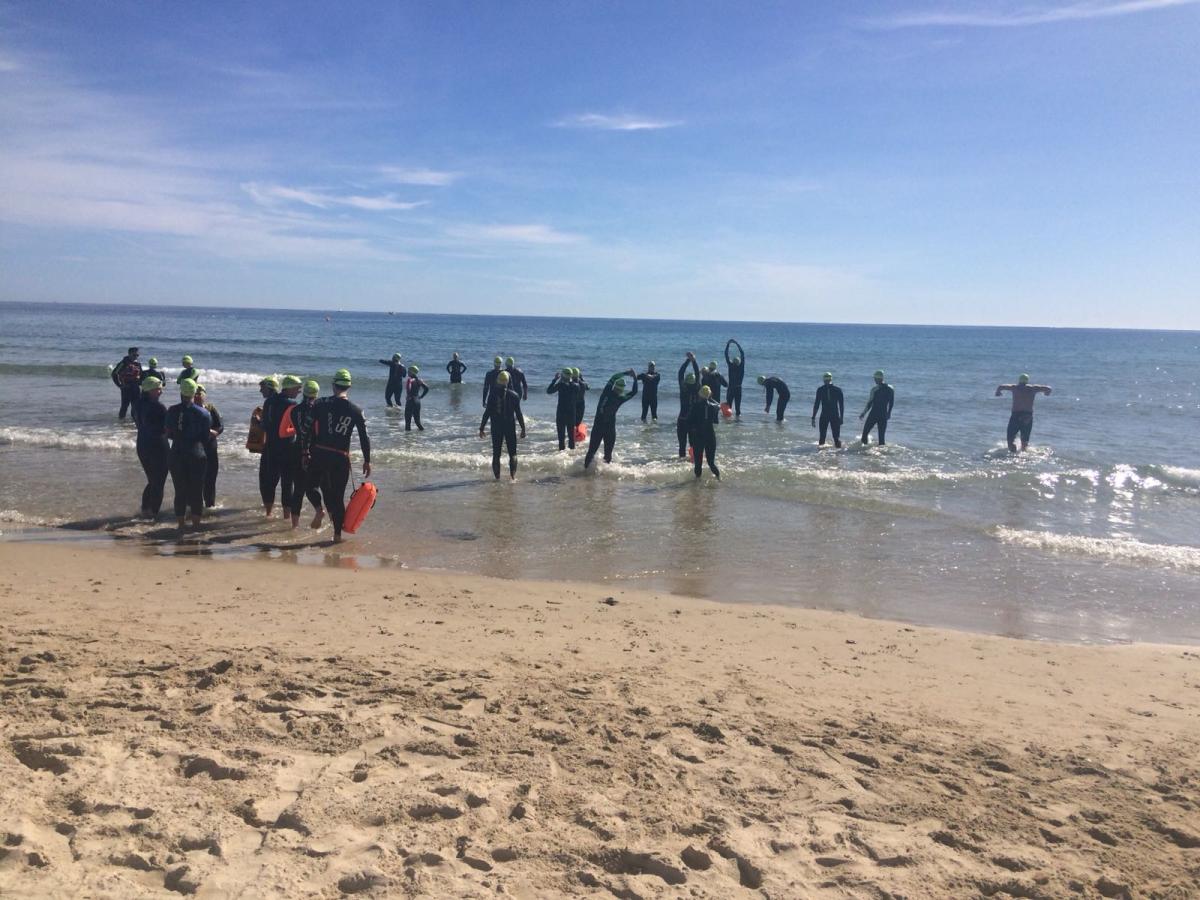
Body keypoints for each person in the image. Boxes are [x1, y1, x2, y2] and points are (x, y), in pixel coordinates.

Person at [301, 369, 370, 542]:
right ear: (349, 387)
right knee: (338, 498)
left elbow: (306, 429)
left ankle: (319, 510)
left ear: (333, 385)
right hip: (340, 457)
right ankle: (337, 536)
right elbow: (364, 437)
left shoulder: (319, 403)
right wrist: (367, 460)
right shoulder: (356, 410)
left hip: (320, 453)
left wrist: (305, 451)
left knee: (310, 487)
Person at [164, 378, 211, 529]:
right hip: (196, 453)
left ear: (181, 392)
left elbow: (169, 433)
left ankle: (181, 525)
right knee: (196, 491)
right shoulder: (203, 413)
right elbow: (205, 438)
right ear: (194, 393)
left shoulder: (172, 410)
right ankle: (196, 526)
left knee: (180, 491)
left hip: (176, 453)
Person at [260, 374, 302, 517]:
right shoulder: (292, 404)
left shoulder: (269, 402)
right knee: (287, 483)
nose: (299, 391)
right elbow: (296, 426)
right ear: (289, 388)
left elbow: (264, 425)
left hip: (270, 447)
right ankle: (286, 517)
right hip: (287, 448)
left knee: (270, 481)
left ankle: (268, 513)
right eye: (297, 388)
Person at [288, 380, 325, 529]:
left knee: (298, 490)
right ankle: (319, 510)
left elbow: (299, 430)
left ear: (303, 393)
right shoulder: (319, 411)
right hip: (315, 451)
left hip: (297, 450)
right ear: (316, 394)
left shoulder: (294, 411)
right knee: (314, 485)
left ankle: (294, 527)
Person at [584, 370, 639, 468]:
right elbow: (634, 392)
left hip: (599, 426)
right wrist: (635, 379)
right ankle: (604, 473)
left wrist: (627, 373)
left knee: (592, 452)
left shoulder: (607, 392)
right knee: (607, 455)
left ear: (614, 387)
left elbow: (614, 377)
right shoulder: (621, 398)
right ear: (621, 389)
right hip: (609, 428)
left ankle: (585, 471)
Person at [135, 376, 169, 519]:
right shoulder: (159, 407)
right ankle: (154, 514)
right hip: (158, 446)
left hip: (142, 444)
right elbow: (168, 428)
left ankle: (145, 509)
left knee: (152, 480)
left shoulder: (137, 404)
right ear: (150, 390)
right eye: (158, 389)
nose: (161, 391)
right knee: (159, 482)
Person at [479, 370, 521, 479]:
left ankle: (497, 478)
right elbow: (519, 414)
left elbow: (487, 413)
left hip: (496, 427)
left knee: (496, 454)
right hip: (510, 426)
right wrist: (523, 428)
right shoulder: (514, 395)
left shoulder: (492, 395)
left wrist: (481, 428)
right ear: (508, 381)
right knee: (513, 453)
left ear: (498, 381)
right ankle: (513, 477)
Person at [996, 374, 1052, 452]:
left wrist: (998, 392)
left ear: (1019, 380)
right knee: (1024, 441)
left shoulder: (1014, 387)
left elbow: (1001, 386)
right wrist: (1047, 393)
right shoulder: (1033, 388)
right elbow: (1048, 388)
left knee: (1010, 439)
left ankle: (1012, 454)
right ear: (1027, 380)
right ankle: (1023, 455)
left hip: (1016, 415)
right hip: (1027, 416)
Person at [194, 384, 224, 508]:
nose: (197, 396)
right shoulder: (189, 410)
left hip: (210, 448)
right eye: (195, 394)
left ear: (204, 395)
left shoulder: (211, 408)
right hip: (195, 449)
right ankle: (194, 506)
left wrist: (215, 432)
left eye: (200, 393)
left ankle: (210, 506)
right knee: (195, 480)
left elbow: (220, 425)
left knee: (210, 479)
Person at [687, 385, 721, 479]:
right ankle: (719, 479)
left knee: (698, 463)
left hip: (698, 436)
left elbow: (689, 423)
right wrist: (710, 398)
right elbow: (719, 405)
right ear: (709, 395)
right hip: (710, 436)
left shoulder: (695, 406)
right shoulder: (714, 407)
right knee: (711, 463)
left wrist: (690, 440)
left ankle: (697, 483)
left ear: (700, 395)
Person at [547, 367, 580, 450]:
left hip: (561, 413)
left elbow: (549, 391)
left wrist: (555, 380)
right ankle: (572, 452)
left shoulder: (560, 385)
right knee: (571, 436)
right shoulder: (576, 386)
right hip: (572, 413)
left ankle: (561, 452)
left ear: (563, 375)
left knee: (561, 436)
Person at [859, 370, 895, 445]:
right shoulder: (891, 389)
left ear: (878, 378)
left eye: (875, 378)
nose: (874, 380)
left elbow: (870, 403)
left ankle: (863, 449)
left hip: (874, 414)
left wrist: (863, 413)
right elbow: (891, 402)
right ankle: (881, 451)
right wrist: (889, 413)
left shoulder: (874, 389)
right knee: (881, 438)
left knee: (865, 433)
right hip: (883, 414)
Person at [676, 353, 701, 458]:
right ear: (695, 381)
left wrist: (688, 361)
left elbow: (680, 373)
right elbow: (698, 374)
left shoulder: (683, 388)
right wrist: (694, 361)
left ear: (686, 381)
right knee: (693, 445)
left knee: (682, 445)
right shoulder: (697, 388)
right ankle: (693, 462)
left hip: (682, 419)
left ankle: (681, 462)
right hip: (693, 421)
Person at [811, 372, 844, 448]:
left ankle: (821, 454)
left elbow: (816, 405)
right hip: (834, 415)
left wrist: (813, 417)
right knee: (836, 438)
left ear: (823, 380)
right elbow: (841, 406)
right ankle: (839, 453)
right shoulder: (838, 390)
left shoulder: (820, 390)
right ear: (831, 379)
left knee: (823, 437)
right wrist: (841, 417)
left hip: (825, 415)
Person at [111, 347, 143, 421]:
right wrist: (119, 385)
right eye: (134, 355)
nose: (136, 357)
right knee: (124, 406)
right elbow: (114, 374)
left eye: (137, 355)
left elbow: (141, 375)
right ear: (129, 354)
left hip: (136, 388)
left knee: (135, 407)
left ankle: (133, 423)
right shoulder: (123, 363)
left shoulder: (138, 364)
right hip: (126, 388)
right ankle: (120, 423)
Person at [504, 357, 529, 438]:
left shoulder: (505, 372)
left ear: (506, 364)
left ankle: (512, 424)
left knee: (510, 410)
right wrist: (525, 394)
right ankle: (521, 427)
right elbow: (525, 384)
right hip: (518, 394)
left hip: (510, 393)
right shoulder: (520, 371)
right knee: (516, 409)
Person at [404, 365, 429, 431]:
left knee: (408, 423)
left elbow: (409, 386)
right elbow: (426, 388)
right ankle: (423, 433)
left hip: (411, 401)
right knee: (417, 422)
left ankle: (407, 437)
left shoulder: (410, 379)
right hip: (417, 401)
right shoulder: (419, 380)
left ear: (412, 372)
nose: (407, 372)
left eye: (409, 371)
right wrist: (421, 396)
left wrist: (408, 395)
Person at [724, 339, 746, 417]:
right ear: (739, 362)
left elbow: (726, 355)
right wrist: (737, 344)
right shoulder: (741, 367)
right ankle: (737, 422)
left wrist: (728, 344)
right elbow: (742, 354)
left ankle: (727, 421)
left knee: (728, 407)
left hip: (731, 388)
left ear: (733, 362)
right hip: (738, 388)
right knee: (738, 408)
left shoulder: (731, 366)